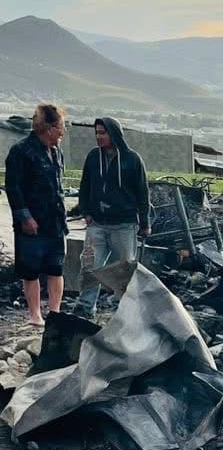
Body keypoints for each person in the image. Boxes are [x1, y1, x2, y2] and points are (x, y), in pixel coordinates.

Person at [76, 117, 151, 319]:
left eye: (103, 132)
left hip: (124, 226)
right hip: (97, 224)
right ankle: (84, 308)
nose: (99, 136)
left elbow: (143, 193)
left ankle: (121, 312)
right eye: (97, 132)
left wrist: (145, 223)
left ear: (114, 134)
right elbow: (84, 186)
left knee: (124, 270)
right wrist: (86, 212)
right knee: (90, 267)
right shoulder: (93, 157)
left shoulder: (132, 160)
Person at [4, 102, 68, 327]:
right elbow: (13, 188)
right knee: (30, 270)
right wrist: (25, 217)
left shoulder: (56, 151)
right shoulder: (21, 151)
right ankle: (35, 315)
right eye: (60, 126)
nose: (63, 131)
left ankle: (55, 312)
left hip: (55, 221)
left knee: (56, 267)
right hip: (32, 223)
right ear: (49, 128)